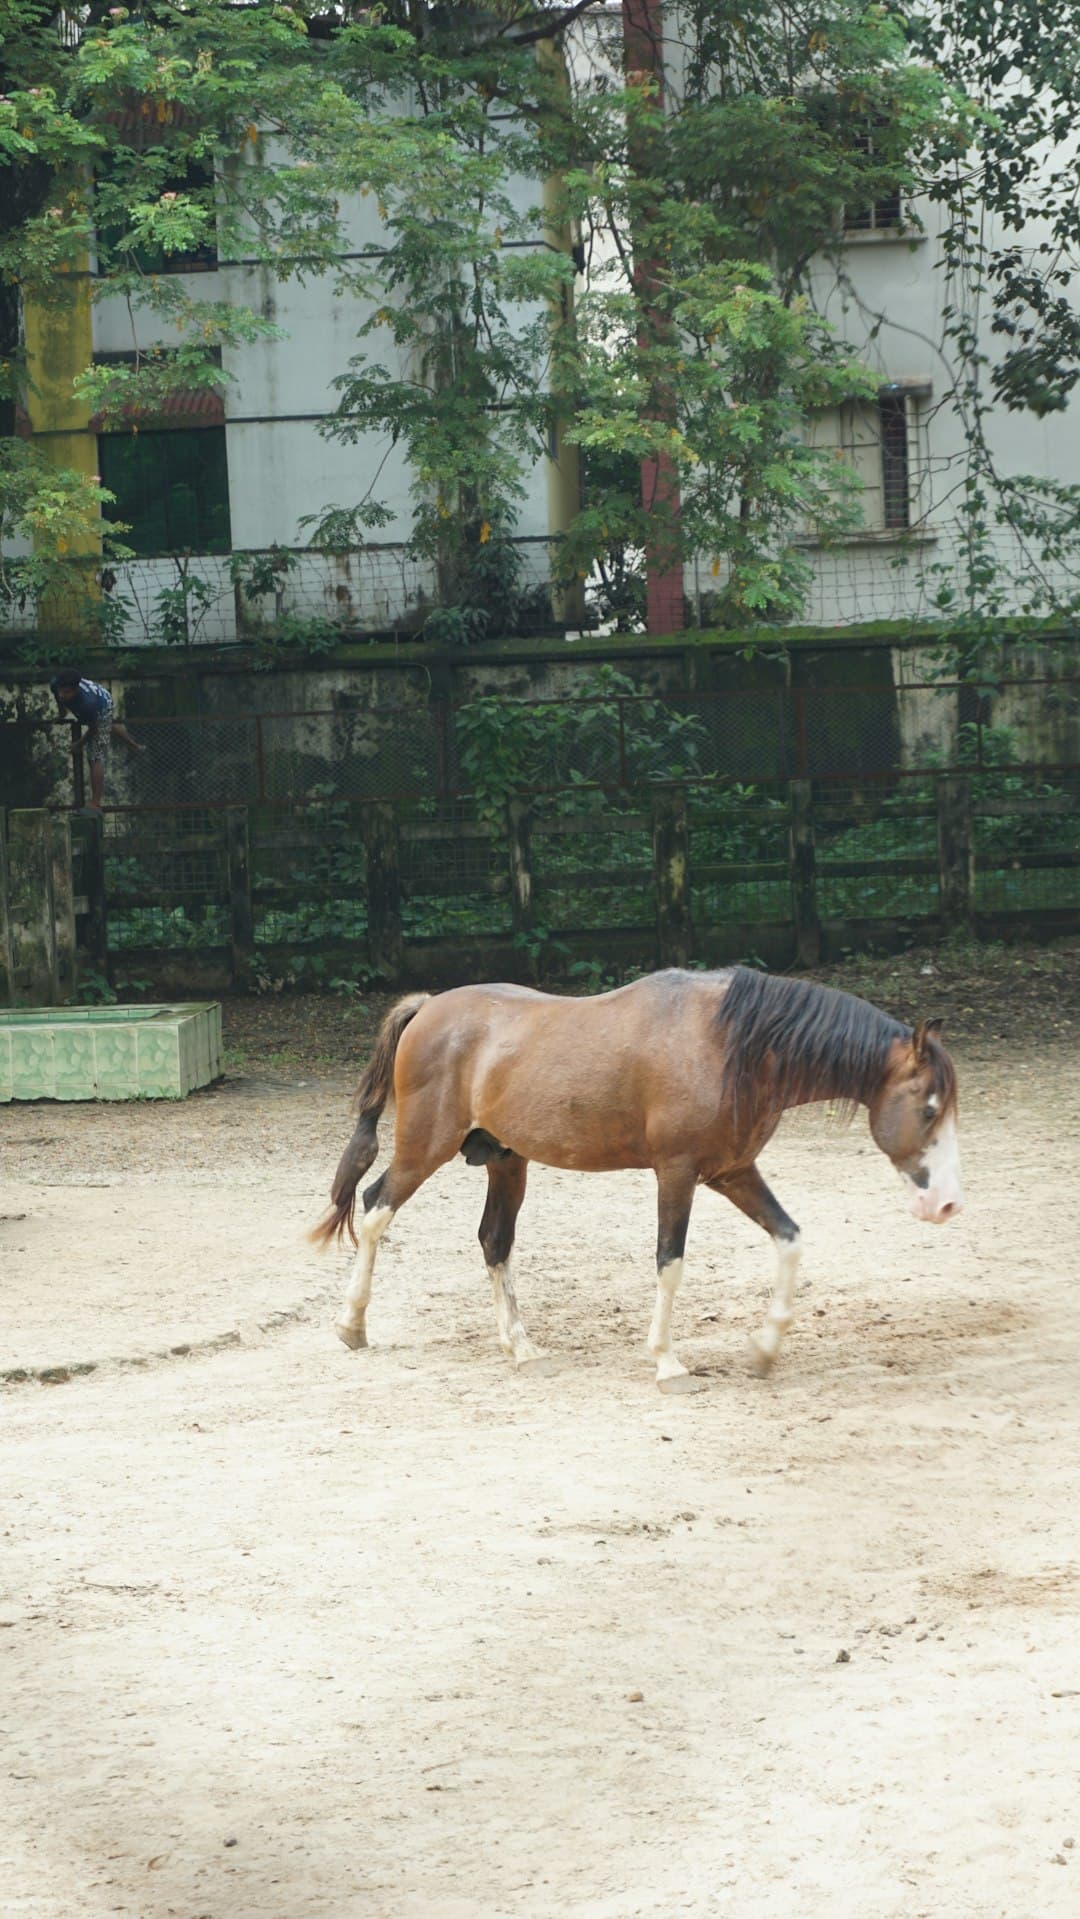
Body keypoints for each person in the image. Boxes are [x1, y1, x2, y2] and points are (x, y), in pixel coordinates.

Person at [50, 669, 145, 810]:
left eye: (67, 692)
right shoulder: (56, 684)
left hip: (103, 705)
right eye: (61, 691)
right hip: (95, 703)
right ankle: (134, 745)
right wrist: (62, 712)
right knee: (109, 725)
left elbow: (94, 729)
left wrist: (79, 744)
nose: (62, 695)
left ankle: (96, 801)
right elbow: (59, 696)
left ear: (75, 690)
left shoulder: (89, 705)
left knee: (95, 756)